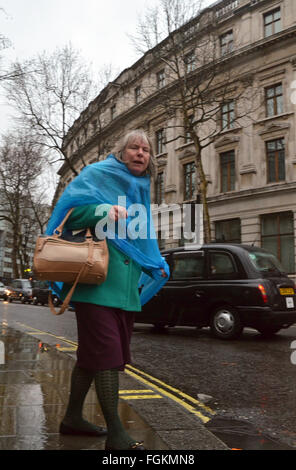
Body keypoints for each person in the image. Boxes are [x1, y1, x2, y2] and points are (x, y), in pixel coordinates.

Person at [46, 129, 169, 450]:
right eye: (134, 148)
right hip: (95, 285)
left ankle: (72, 418)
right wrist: (103, 211)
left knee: (91, 358)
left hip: (124, 290)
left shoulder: (141, 187)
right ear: (121, 151)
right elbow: (69, 215)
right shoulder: (97, 175)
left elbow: (140, 237)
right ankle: (116, 433)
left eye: (146, 149)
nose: (140, 153)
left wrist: (153, 260)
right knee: (107, 358)